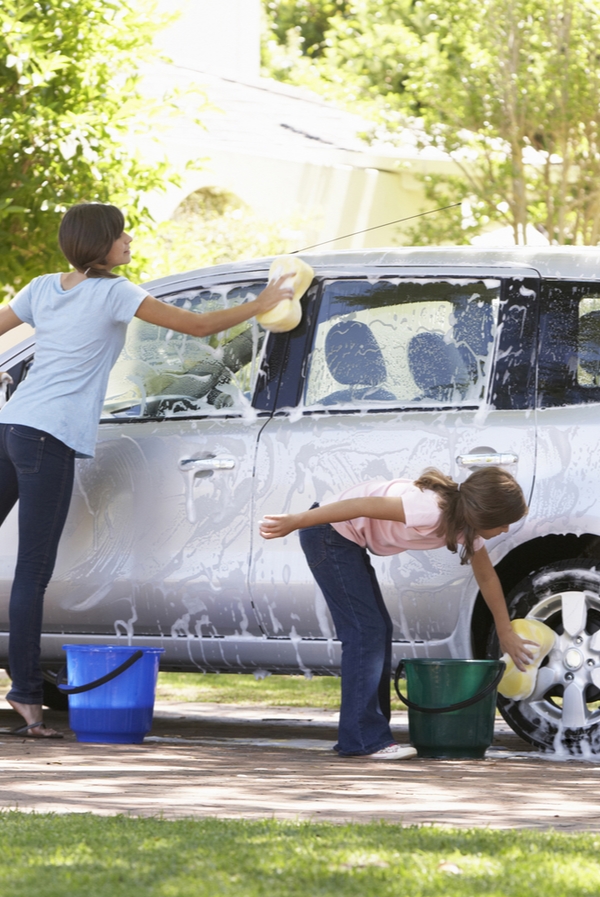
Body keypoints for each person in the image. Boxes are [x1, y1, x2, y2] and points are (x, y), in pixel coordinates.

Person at [0, 201, 294, 738]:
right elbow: (200, 326)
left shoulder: (43, 287)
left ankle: (23, 689)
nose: (129, 240)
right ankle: (24, 694)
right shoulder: (116, 292)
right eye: (121, 234)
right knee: (32, 573)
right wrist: (264, 302)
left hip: (10, 427)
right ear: (100, 243)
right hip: (47, 439)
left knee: (27, 571)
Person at [259, 467, 535, 760]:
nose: (506, 529)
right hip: (327, 531)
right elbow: (360, 506)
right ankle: (364, 740)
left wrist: (505, 631)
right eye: (504, 523)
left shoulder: (464, 526)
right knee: (366, 631)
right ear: (483, 515)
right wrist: (296, 520)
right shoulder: (431, 508)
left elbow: (488, 577)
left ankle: (364, 735)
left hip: (342, 538)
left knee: (376, 629)